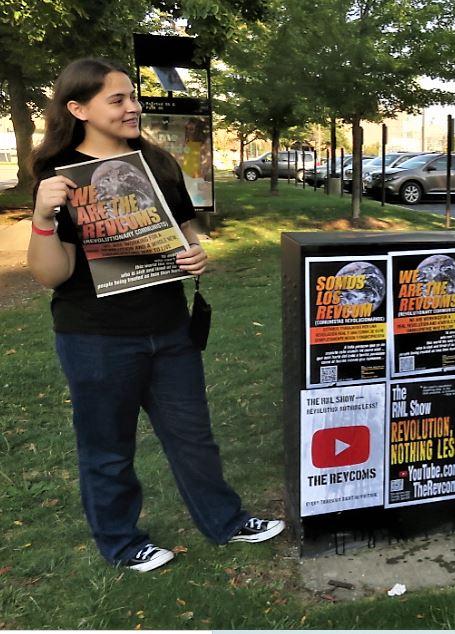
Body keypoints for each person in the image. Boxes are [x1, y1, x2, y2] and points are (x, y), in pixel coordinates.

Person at [27, 58, 285, 573]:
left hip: (168, 328)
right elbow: (52, 276)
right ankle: (122, 542)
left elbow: (187, 234)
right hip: (96, 337)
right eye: (117, 99)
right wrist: (41, 217)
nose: (133, 107)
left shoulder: (157, 164)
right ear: (78, 109)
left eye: (133, 97)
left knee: (193, 436)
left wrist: (197, 253)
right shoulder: (58, 178)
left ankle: (226, 521)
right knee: (107, 448)